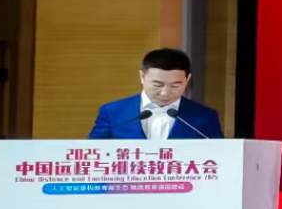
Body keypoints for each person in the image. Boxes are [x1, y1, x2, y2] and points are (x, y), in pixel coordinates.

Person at [88, 48, 224, 141]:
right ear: (142, 77)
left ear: (187, 80)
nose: (165, 93)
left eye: (175, 85)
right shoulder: (113, 112)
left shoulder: (205, 116)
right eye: (157, 85)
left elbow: (218, 157)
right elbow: (93, 153)